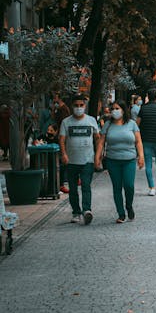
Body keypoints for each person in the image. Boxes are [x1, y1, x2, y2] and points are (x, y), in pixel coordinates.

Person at [95, 100, 145, 223]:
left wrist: (141, 156)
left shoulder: (132, 124)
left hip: (129, 160)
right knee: (117, 187)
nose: (114, 111)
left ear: (123, 110)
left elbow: (138, 141)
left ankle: (129, 206)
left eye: (117, 108)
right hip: (112, 160)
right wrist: (97, 157)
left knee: (129, 185)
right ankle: (121, 213)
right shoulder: (108, 125)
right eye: (112, 109)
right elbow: (101, 142)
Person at [59, 94, 99, 224]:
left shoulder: (91, 120)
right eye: (76, 105)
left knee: (86, 185)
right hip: (71, 161)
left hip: (88, 160)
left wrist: (98, 156)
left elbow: (97, 138)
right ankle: (76, 212)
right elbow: (62, 139)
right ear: (72, 106)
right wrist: (64, 154)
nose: (79, 108)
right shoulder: (66, 122)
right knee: (73, 188)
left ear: (85, 106)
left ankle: (87, 210)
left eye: (81, 105)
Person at [136, 88, 156, 195]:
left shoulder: (142, 109)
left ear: (147, 96)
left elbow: (137, 125)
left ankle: (151, 188)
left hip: (145, 140)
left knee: (148, 164)